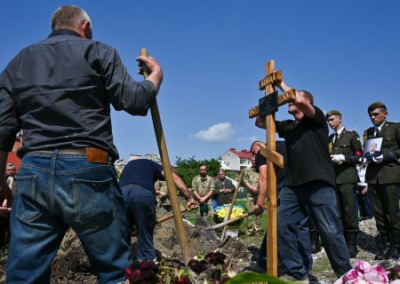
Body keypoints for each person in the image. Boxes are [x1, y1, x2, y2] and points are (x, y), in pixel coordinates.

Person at [0, 5, 163, 283]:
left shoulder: (19, 61)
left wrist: (1, 180)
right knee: (115, 272)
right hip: (88, 169)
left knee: (24, 275)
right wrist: (153, 78)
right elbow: (134, 101)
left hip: (33, 172)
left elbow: (3, 128)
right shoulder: (99, 51)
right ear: (85, 26)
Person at [255, 79, 351, 281]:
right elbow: (260, 122)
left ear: (307, 101)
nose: (288, 103)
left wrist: (280, 83)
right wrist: (268, 103)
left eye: (293, 101)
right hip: (293, 185)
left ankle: (346, 275)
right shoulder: (289, 126)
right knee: (279, 225)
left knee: (330, 231)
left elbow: (297, 98)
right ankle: (298, 272)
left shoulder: (315, 119)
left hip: (318, 181)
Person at [250, 141, 313, 280]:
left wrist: (259, 203)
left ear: (257, 147)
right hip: (303, 184)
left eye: (253, 154)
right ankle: (305, 266)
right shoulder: (284, 144)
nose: (253, 158)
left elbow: (264, 177)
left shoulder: (262, 151)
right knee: (300, 226)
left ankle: (294, 270)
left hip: (285, 188)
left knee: (277, 224)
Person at [119, 158, 196, 261]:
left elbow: (133, 187)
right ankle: (146, 265)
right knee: (145, 231)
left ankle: (121, 266)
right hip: (142, 195)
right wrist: (189, 198)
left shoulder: (130, 165)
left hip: (121, 194)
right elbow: (174, 178)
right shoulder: (155, 165)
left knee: (123, 231)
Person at [363, 101, 400, 260]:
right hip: (373, 178)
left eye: (376, 114)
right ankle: (385, 244)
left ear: (385, 113)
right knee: (379, 214)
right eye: (370, 115)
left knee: (392, 212)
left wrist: (385, 156)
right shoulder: (368, 133)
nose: (373, 117)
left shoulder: (395, 128)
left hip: (390, 176)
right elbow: (366, 151)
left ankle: (396, 246)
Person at [326, 110, 363, 258]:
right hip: (333, 179)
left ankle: (352, 244)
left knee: (349, 212)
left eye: (332, 119)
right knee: (337, 212)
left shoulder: (351, 135)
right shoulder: (329, 138)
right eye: (328, 120)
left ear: (340, 119)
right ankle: (341, 242)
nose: (330, 123)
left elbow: (359, 156)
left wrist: (345, 158)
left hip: (347, 178)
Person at [243, 156, 262, 236]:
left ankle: (258, 230)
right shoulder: (247, 170)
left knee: (259, 213)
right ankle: (250, 230)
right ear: (251, 161)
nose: (254, 161)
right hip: (250, 195)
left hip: (260, 195)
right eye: (252, 160)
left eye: (255, 160)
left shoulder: (262, 169)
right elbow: (245, 181)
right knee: (250, 213)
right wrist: (252, 188)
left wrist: (258, 188)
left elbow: (265, 179)